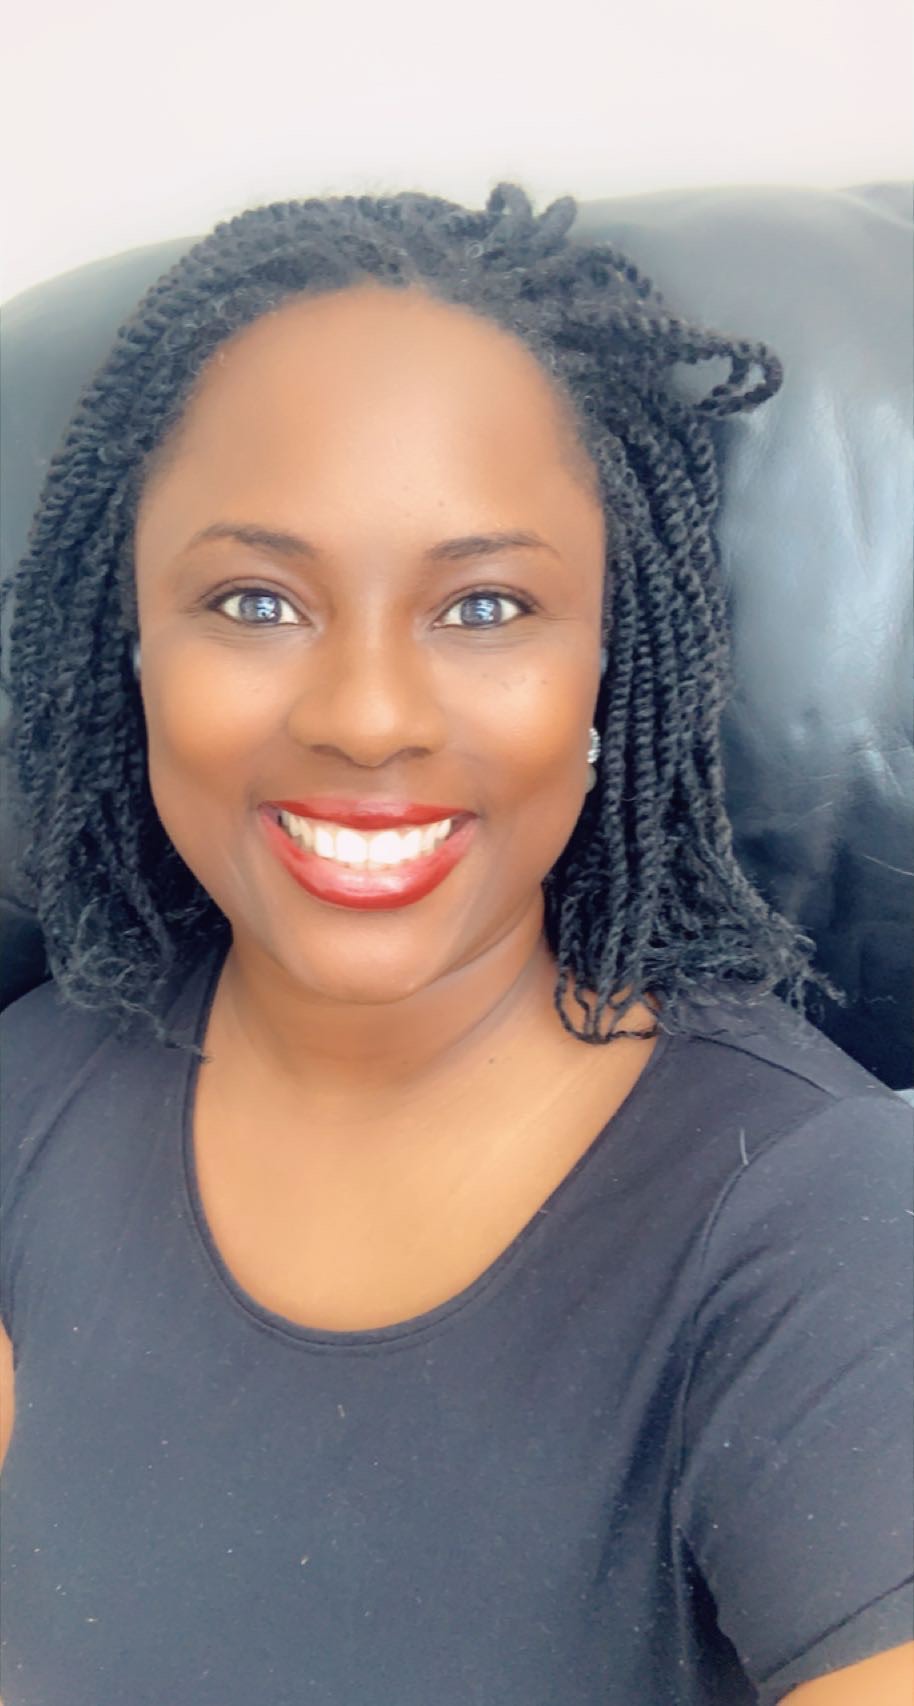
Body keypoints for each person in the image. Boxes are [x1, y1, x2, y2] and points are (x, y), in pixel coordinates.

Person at [0, 182, 910, 1706]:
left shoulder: (824, 1221)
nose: (368, 715)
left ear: (610, 656)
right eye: (253, 599)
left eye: (485, 605)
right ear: (128, 643)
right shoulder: (24, 1106)